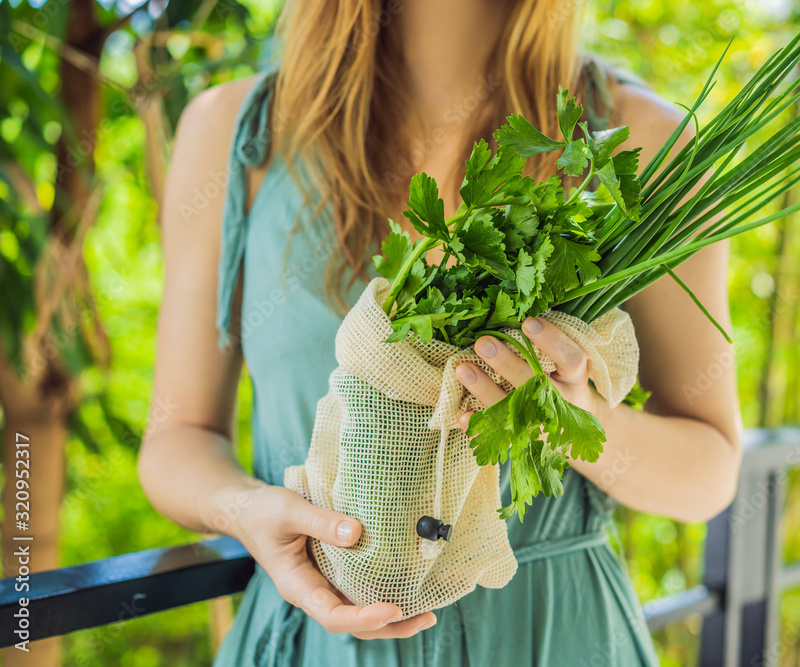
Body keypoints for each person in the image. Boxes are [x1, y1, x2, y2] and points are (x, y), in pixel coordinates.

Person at [138, 1, 743, 664]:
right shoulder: (233, 134)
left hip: (551, 636)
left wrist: (575, 420)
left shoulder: (640, 140)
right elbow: (176, 438)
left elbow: (710, 467)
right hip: (314, 638)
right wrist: (247, 509)